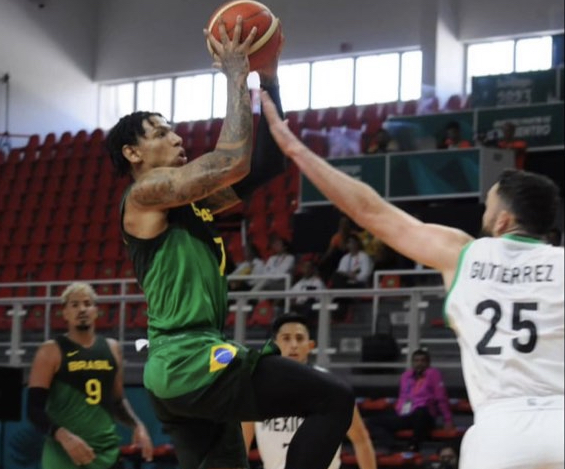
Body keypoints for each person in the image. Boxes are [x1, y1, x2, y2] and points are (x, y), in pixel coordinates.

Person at [261, 90, 564, 469]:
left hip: (499, 432)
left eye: (489, 206)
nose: (484, 212)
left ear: (503, 221)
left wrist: (295, 150)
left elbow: (369, 210)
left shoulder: (463, 253)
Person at [104, 19, 355, 469]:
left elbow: (266, 163)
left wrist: (270, 79)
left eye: (172, 129)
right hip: (190, 360)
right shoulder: (144, 195)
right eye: (160, 133)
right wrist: (237, 76)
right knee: (333, 399)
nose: (176, 136)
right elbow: (231, 160)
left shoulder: (186, 204)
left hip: (182, 370)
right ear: (132, 153)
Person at [27, 282, 154, 469]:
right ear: (65, 313)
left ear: (96, 311)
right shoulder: (51, 351)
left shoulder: (112, 348)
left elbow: (118, 401)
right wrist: (64, 436)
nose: (82, 309)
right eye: (75, 304)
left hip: (106, 454)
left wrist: (137, 426)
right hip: (65, 455)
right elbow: (34, 410)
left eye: (87, 303)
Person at [241, 313, 377, 469]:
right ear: (275, 344)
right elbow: (241, 446)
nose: (293, 345)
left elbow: (361, 440)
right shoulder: (257, 388)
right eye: (286, 338)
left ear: (310, 346)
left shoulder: (332, 387)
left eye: (299, 338)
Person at [367, 349, 454, 452]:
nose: (419, 364)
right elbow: (402, 396)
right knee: (372, 421)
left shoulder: (433, 374)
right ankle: (393, 446)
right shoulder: (405, 376)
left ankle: (413, 446)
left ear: (428, 363)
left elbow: (441, 398)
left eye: (422, 361)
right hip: (406, 414)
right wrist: (399, 411)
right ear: (412, 362)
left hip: (424, 415)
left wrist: (447, 419)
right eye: (416, 361)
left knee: (421, 412)